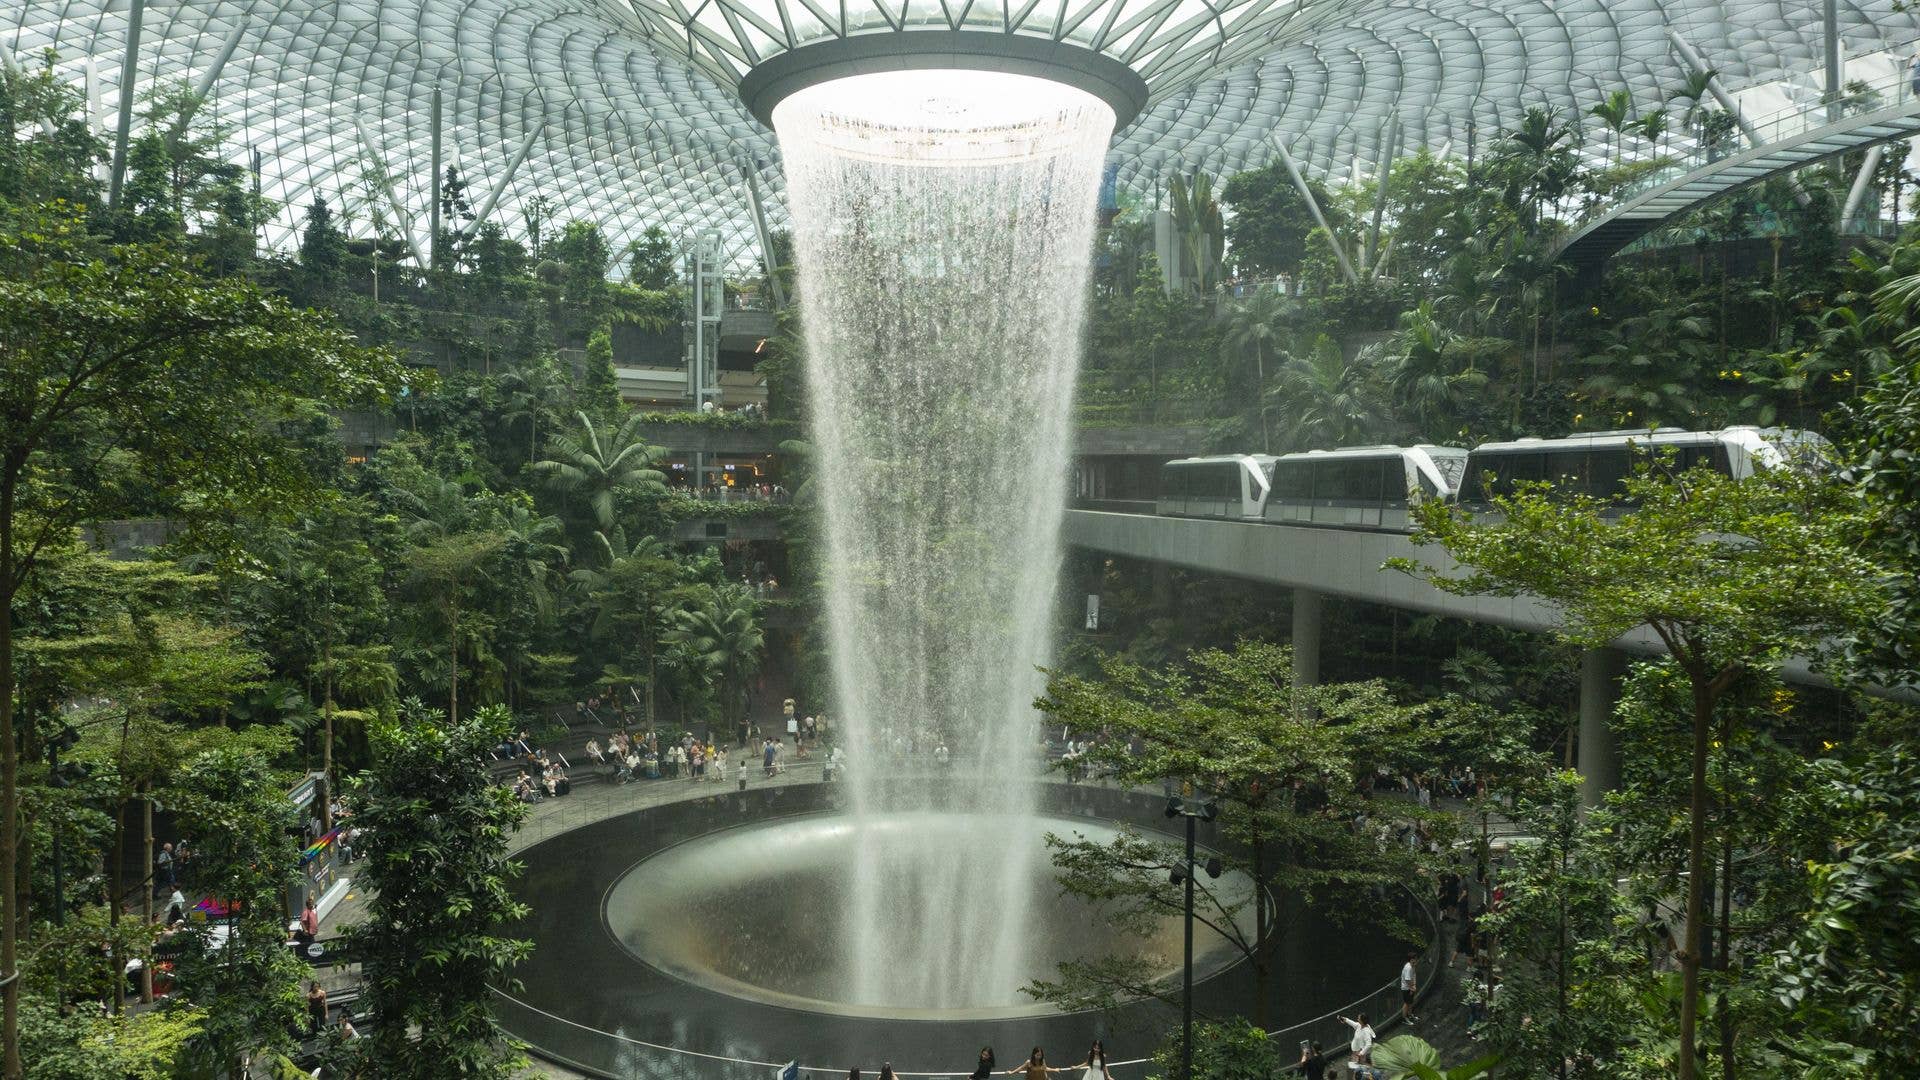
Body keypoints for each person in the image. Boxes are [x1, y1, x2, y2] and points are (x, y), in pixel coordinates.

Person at [1400, 950, 1419, 1024]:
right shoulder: (1408, 968)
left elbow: (1413, 975)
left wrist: (1414, 985)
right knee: (1407, 1003)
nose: (1416, 959)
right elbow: (1407, 979)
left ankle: (1410, 1015)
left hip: (1410, 987)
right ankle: (1404, 1018)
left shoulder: (1412, 965)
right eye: (1415, 958)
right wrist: (1412, 987)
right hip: (1406, 988)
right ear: (1411, 959)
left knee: (1410, 1002)